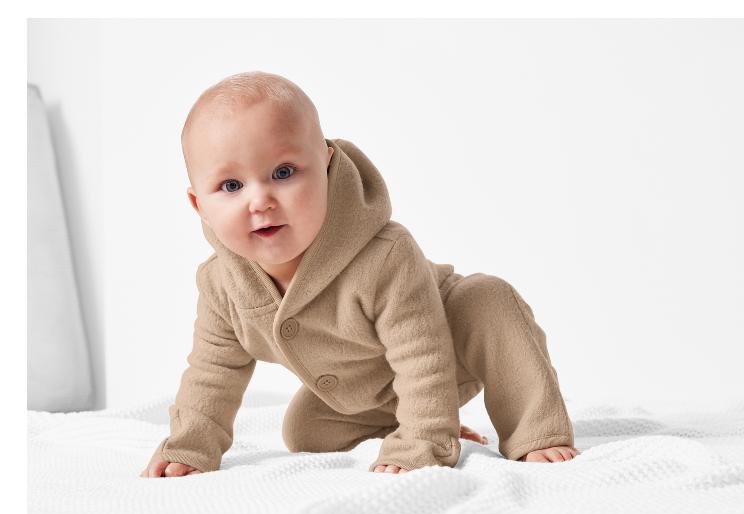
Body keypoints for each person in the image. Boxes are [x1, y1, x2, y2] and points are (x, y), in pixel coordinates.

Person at [140, 71, 579, 478]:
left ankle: (532, 430)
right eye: (232, 186)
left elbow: (421, 354)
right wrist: (190, 446)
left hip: (449, 341)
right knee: (306, 433)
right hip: (369, 390)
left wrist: (425, 439)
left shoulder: (384, 254)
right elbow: (212, 369)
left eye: (284, 172)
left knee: (488, 298)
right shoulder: (220, 283)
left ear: (328, 168)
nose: (261, 200)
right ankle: (416, 419)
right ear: (199, 205)